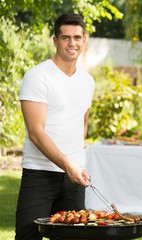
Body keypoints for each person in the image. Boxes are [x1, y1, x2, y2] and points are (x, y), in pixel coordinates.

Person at [15, 13, 95, 240]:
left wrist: (76, 164)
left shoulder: (88, 81)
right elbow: (36, 133)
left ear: (85, 39)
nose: (72, 43)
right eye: (65, 37)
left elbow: (83, 124)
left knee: (74, 237)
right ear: (55, 40)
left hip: (75, 178)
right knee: (28, 236)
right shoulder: (38, 77)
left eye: (77, 37)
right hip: (39, 175)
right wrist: (67, 165)